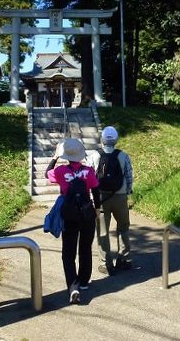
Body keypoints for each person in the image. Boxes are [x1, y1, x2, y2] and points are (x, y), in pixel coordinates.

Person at [45, 138, 100, 304]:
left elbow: (47, 173)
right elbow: (96, 191)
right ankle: (83, 282)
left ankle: (73, 286)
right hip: (87, 213)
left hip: (69, 215)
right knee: (85, 249)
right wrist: (97, 209)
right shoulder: (89, 171)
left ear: (66, 155)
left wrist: (55, 157)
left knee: (68, 253)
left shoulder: (61, 171)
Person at [88, 126, 134, 275]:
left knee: (102, 231)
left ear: (102, 139)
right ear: (116, 140)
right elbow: (128, 175)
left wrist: (90, 195)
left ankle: (106, 263)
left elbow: (89, 176)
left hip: (100, 198)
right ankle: (124, 259)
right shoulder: (123, 155)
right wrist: (128, 191)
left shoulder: (94, 155)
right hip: (120, 197)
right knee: (123, 227)